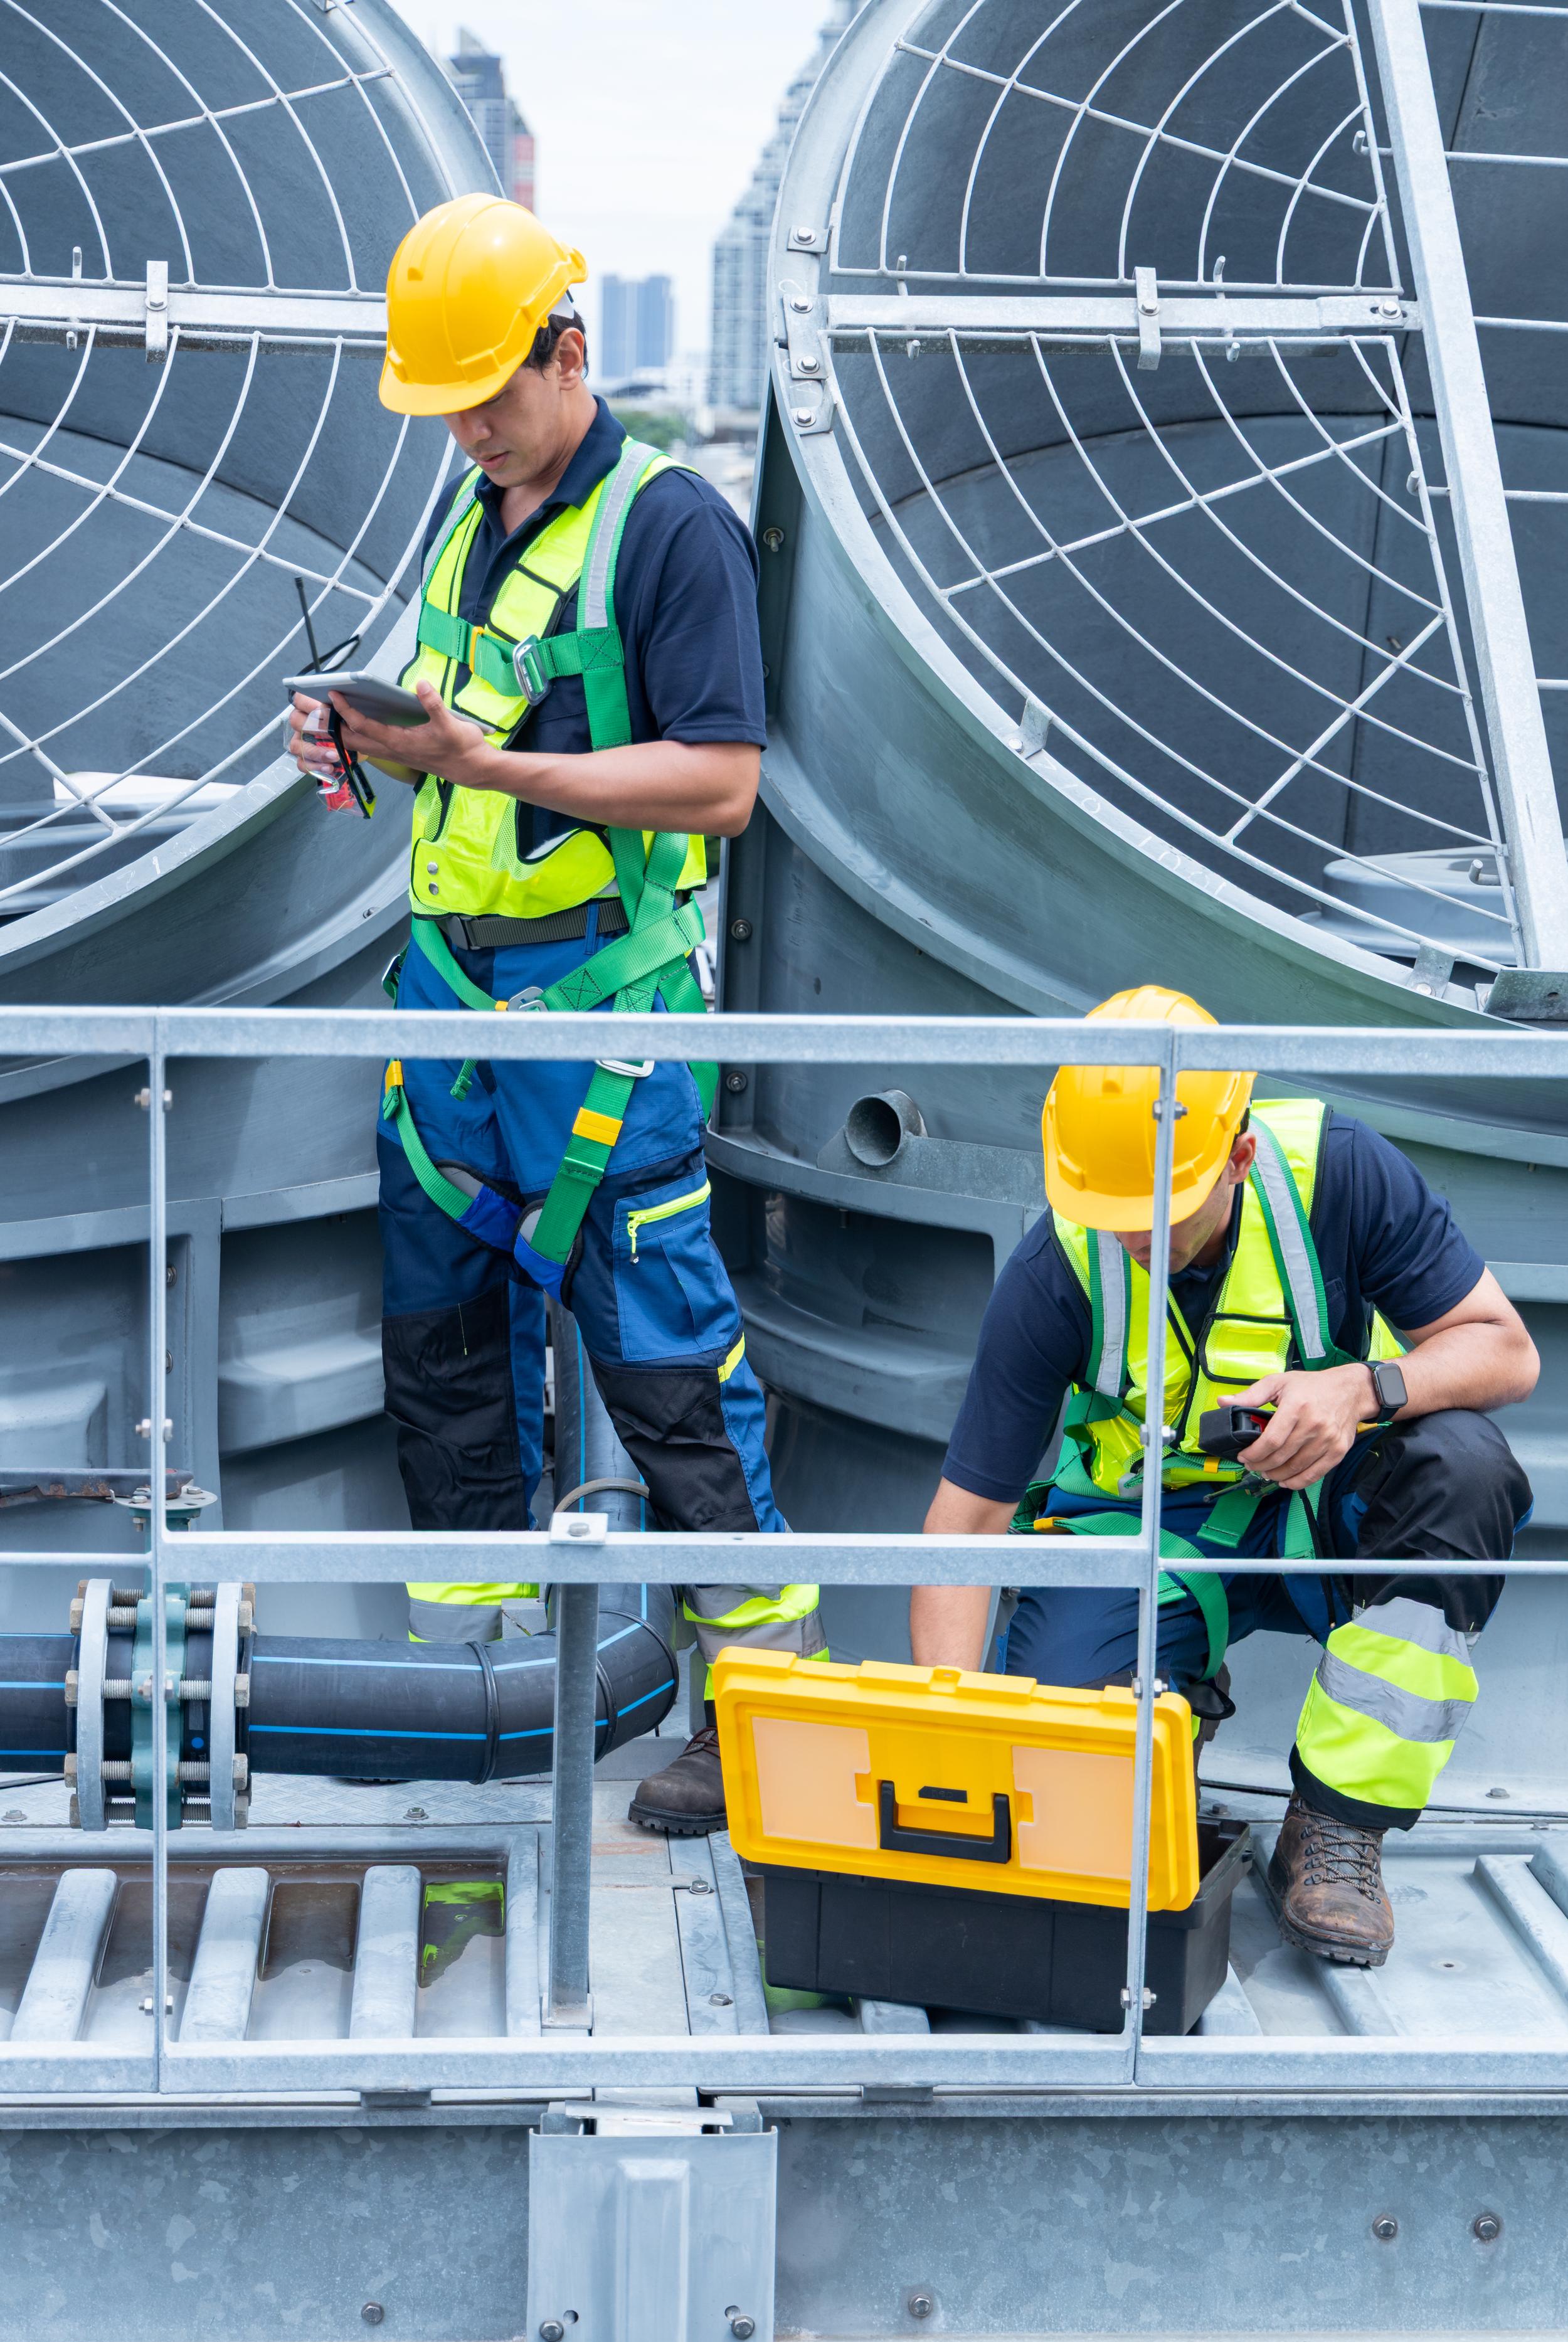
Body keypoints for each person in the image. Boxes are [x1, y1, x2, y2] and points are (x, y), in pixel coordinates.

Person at [288, 194, 822, 1834]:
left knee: (667, 1374)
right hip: (454, 1014)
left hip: (597, 1019)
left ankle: (758, 1716)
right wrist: (358, 746)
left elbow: (722, 783)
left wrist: (485, 764)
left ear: (569, 352)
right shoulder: (472, 516)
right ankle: (472, 1698)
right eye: (443, 403)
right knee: (442, 1359)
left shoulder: (668, 529)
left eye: (489, 396)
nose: (466, 426)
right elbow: (469, 740)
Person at [911, 984, 1537, 1966]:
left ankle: (1333, 1829)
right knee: (1062, 1762)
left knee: (1466, 1469)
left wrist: (1360, 1391)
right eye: (1108, 1209)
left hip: (1338, 1505)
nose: (1128, 1237)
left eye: (1157, 1213)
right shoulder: (1055, 1270)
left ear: (1239, 1156)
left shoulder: (1341, 1172)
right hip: (1155, 1533)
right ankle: (1167, 1709)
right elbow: (965, 1523)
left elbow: (1506, 1351)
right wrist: (954, 1753)